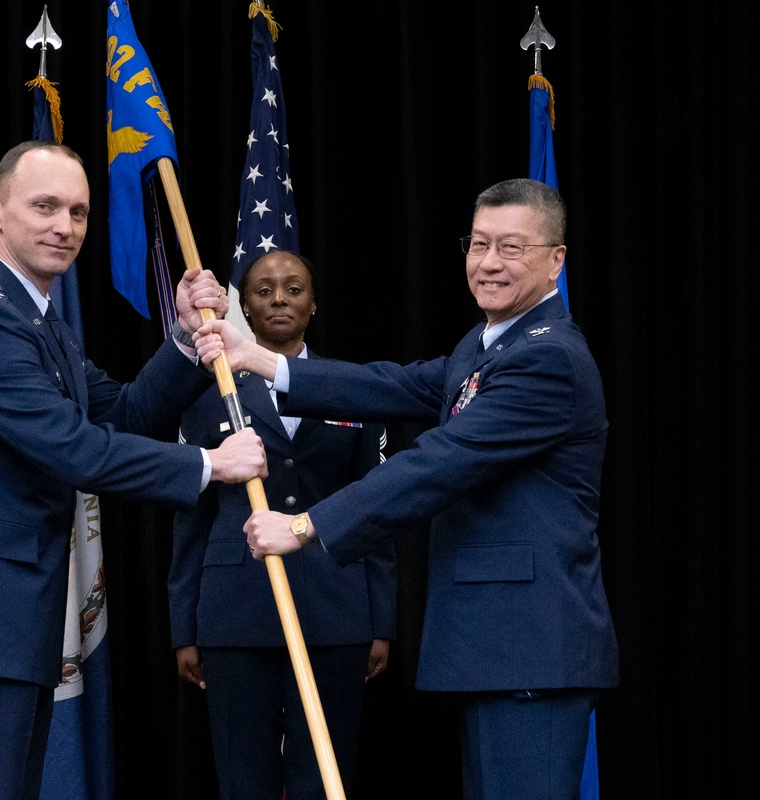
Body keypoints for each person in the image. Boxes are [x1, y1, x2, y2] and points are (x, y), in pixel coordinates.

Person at [195, 178, 619, 800]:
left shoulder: (547, 358)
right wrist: (257, 359)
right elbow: (392, 387)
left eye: (511, 247)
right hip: (500, 648)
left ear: (556, 260)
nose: (489, 263)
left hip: (531, 646)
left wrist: (305, 526)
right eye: (478, 245)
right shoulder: (483, 344)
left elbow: (440, 462)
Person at [0, 139, 268, 800]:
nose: (63, 226)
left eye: (79, 212)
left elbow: (120, 415)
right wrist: (211, 463)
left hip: (10, 624)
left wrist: (182, 341)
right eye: (44, 206)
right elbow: (76, 451)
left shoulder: (42, 325)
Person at [168, 251, 396, 800]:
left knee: (324, 775)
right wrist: (185, 628)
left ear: (313, 305)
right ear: (243, 305)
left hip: (334, 608)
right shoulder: (205, 398)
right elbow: (188, 520)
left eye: (294, 289)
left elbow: (379, 506)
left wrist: (380, 619)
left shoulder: (351, 389)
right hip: (234, 613)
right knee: (244, 779)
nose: (279, 300)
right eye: (264, 291)